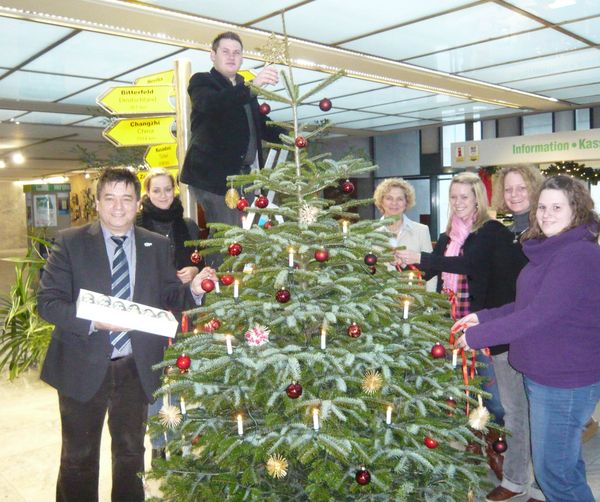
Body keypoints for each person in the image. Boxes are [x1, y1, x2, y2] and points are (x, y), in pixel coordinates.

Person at [37, 167, 217, 502]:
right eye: (110, 198)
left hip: (135, 367)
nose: (118, 207)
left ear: (138, 203)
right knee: (78, 459)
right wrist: (94, 321)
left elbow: (168, 298)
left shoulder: (156, 244)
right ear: (97, 202)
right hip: (81, 364)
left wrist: (192, 289)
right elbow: (48, 304)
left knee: (131, 455)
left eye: (126, 199)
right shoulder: (70, 242)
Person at [455, 175, 600, 502]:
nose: (547, 214)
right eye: (543, 207)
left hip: (565, 380)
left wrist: (478, 336)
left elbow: (538, 316)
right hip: (547, 374)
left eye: (557, 208)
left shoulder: (577, 255)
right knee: (564, 467)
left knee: (555, 475)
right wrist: (484, 316)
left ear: (576, 211)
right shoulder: (552, 250)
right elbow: (529, 305)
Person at [396, 171, 519, 479]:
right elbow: (431, 270)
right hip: (450, 322)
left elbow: (470, 265)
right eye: (454, 196)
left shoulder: (490, 231)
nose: (459, 202)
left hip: (481, 324)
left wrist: (422, 257)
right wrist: (405, 269)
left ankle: (497, 446)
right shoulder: (449, 234)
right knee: (461, 390)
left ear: (478, 198)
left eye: (465, 196)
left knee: (494, 395)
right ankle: (473, 442)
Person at [180, 31, 285, 241]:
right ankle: (220, 275)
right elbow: (213, 103)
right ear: (213, 55)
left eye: (236, 52)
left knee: (245, 234)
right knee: (229, 237)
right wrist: (252, 87)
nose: (231, 56)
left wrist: (292, 136)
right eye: (225, 51)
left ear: (242, 58)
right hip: (213, 178)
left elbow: (263, 126)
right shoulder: (202, 81)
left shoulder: (244, 88)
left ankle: (237, 274)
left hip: (244, 178)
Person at [484, 165, 545, 502]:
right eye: (509, 189)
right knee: (513, 412)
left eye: (522, 187)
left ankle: (541, 482)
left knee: (542, 414)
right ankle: (515, 479)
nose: (515, 194)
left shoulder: (545, 232)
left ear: (535, 189)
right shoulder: (500, 232)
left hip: (537, 338)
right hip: (504, 334)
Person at [137, 168, 204, 459]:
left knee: (176, 376)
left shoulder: (187, 225)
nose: (163, 195)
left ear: (174, 191)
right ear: (147, 194)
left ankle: (175, 441)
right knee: (152, 380)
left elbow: (199, 258)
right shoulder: (137, 225)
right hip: (149, 312)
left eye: (167, 189)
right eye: (157, 190)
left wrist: (195, 270)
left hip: (181, 312)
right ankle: (157, 444)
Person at [373, 177, 436, 291]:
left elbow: (431, 271)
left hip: (415, 301)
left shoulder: (422, 230)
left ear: (407, 202)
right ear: (381, 201)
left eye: (400, 199)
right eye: (389, 198)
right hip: (379, 303)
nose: (394, 203)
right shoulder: (370, 233)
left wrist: (430, 304)